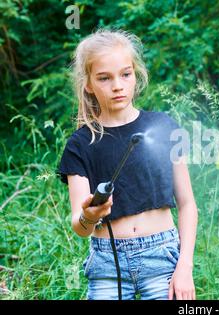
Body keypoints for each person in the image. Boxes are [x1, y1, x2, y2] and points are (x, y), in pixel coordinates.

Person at [56, 28, 197, 300]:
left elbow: (188, 204)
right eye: (104, 78)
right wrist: (90, 215)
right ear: (88, 84)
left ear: (136, 74)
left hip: (162, 260)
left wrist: (185, 267)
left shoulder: (164, 128)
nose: (117, 85)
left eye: (125, 74)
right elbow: (80, 227)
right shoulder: (80, 144)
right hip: (108, 265)